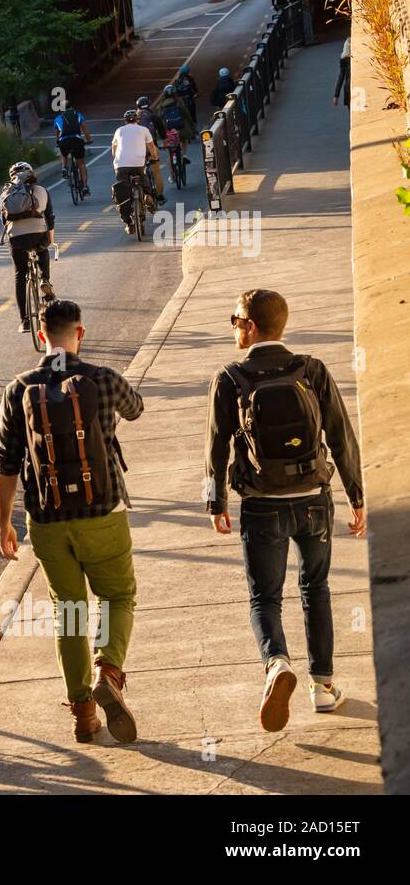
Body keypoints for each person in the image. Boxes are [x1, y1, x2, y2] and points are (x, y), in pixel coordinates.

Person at [205, 289, 366, 732]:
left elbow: (215, 446)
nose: (234, 326)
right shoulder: (310, 369)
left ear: (252, 327)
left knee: (265, 596)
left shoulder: (231, 378)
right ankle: (323, 687)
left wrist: (214, 500)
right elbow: (340, 435)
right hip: (314, 500)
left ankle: (276, 664)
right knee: (316, 588)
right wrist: (356, 495)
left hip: (261, 505)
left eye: (236, 319)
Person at [0, 299, 144, 744]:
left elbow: (5, 463)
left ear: (41, 336)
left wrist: (4, 523)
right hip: (104, 511)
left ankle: (83, 713)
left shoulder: (19, 388)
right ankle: (109, 669)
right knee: (118, 595)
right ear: (79, 333)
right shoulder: (102, 378)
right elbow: (136, 408)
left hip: (46, 518)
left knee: (70, 611)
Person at [0, 161, 56, 334]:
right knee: (42, 248)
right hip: (37, 234)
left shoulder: (5, 193)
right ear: (31, 174)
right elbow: (50, 218)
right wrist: (50, 241)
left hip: (16, 238)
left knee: (19, 276)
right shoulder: (42, 191)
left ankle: (24, 321)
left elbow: (4, 221)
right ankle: (45, 279)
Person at [110, 110, 160, 234]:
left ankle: (129, 223)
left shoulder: (119, 130)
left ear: (125, 121)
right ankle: (147, 197)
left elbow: (114, 147)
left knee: (123, 193)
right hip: (138, 163)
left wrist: (116, 158)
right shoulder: (144, 130)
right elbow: (151, 146)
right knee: (143, 179)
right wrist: (154, 157)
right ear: (137, 120)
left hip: (121, 165)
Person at [53, 103, 93, 197]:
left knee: (63, 153)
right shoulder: (78, 115)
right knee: (81, 163)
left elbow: (57, 134)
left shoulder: (58, 118)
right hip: (76, 141)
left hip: (64, 142)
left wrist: (59, 141)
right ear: (72, 107)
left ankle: (64, 167)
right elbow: (85, 130)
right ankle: (85, 186)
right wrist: (88, 140)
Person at [134, 96, 166, 204]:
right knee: (156, 172)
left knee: (138, 173)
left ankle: (140, 194)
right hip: (152, 148)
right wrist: (165, 143)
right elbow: (163, 133)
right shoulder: (153, 117)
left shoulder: (135, 119)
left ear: (137, 107)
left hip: (138, 149)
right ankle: (160, 196)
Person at [158, 84, 195, 167]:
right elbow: (186, 112)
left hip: (169, 128)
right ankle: (184, 155)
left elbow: (160, 116)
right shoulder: (179, 101)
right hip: (181, 126)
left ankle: (172, 173)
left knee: (170, 145)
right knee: (183, 139)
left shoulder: (162, 104)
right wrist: (191, 122)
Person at [334, 39, 351, 107]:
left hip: (348, 88)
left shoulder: (343, 59)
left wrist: (336, 96)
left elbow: (340, 77)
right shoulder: (358, 58)